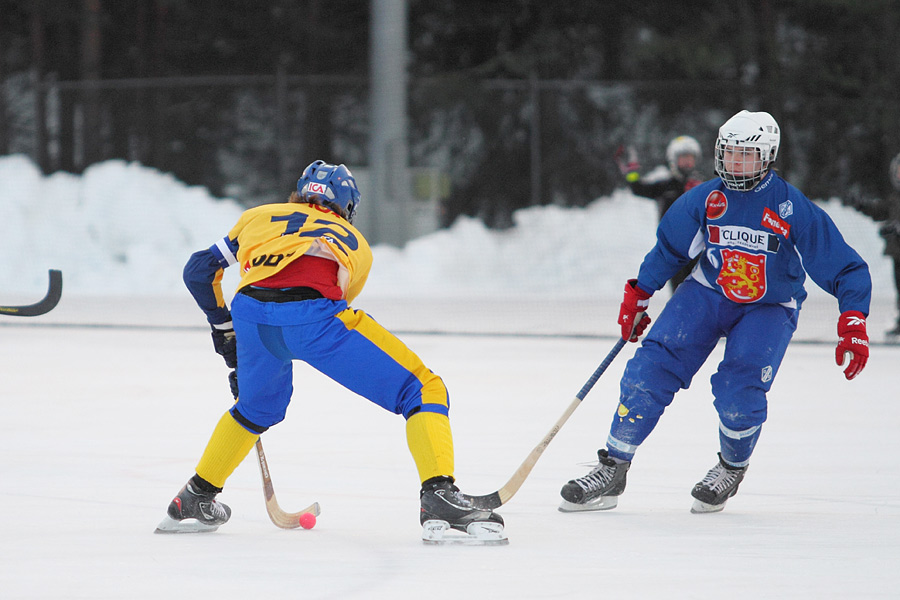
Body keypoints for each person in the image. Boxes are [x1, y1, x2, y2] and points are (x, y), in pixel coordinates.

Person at [154, 160, 505, 543]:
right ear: (347, 206)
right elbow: (331, 292)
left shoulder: (259, 216)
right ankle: (438, 495)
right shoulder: (354, 240)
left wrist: (226, 332)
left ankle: (196, 496)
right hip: (313, 319)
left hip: (251, 316)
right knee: (423, 390)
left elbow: (198, 271)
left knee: (256, 409)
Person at [561, 110, 872, 514]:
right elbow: (670, 250)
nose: (734, 164)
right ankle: (614, 466)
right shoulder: (707, 198)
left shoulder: (792, 208)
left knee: (739, 387)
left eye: (746, 155)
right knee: (650, 366)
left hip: (768, 306)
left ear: (768, 156)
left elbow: (843, 266)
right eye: (728, 154)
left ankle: (730, 467)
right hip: (707, 293)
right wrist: (639, 293)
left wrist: (852, 320)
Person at [618, 136, 705, 290]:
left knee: (699, 290)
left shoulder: (702, 186)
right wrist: (632, 170)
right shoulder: (665, 186)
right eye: (683, 158)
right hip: (672, 250)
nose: (686, 162)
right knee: (679, 291)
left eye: (690, 158)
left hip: (698, 248)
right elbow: (637, 188)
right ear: (673, 159)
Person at [847, 152, 900, 337]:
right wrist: (861, 205)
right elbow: (880, 212)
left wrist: (895, 228)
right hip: (898, 253)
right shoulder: (895, 199)